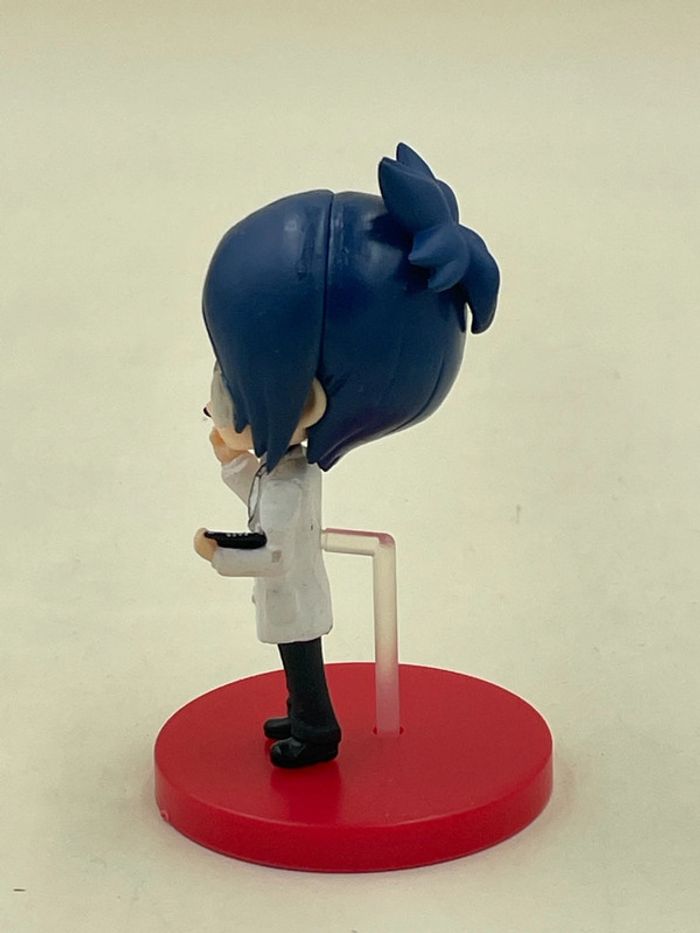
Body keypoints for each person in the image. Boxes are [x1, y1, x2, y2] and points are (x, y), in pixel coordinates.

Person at [193, 143, 500, 768]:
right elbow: (258, 490)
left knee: (301, 658)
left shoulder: (291, 488)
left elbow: (271, 548)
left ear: (304, 402)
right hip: (292, 598)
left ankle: (317, 732)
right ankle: (303, 714)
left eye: (229, 377)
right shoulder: (288, 474)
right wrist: (232, 458)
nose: (211, 396)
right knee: (294, 660)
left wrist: (216, 549)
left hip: (294, 598)